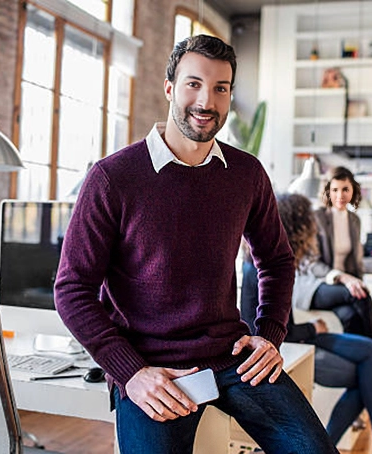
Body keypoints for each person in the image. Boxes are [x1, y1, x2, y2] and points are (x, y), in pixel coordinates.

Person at [54, 35, 338, 454]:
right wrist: (131, 372)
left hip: (233, 356)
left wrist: (270, 334)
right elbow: (72, 290)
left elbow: (277, 259)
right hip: (152, 367)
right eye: (193, 84)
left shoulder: (246, 174)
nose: (206, 101)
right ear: (169, 88)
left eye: (220, 88)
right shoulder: (113, 178)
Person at [241, 193, 372, 454]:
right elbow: (266, 332)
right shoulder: (257, 268)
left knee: (369, 350)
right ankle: (370, 447)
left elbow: (283, 320)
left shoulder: (280, 262)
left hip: (300, 337)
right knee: (368, 377)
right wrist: (313, 328)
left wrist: (310, 329)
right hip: (289, 347)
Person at [302, 166, 372, 403]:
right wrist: (343, 278)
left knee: (351, 316)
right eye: (336, 190)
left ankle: (360, 384)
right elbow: (312, 263)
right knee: (362, 299)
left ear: (353, 191)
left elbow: (356, 263)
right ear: (328, 192)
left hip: (342, 290)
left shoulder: (353, 220)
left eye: (345, 189)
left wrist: (357, 281)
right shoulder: (318, 217)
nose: (340, 195)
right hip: (317, 284)